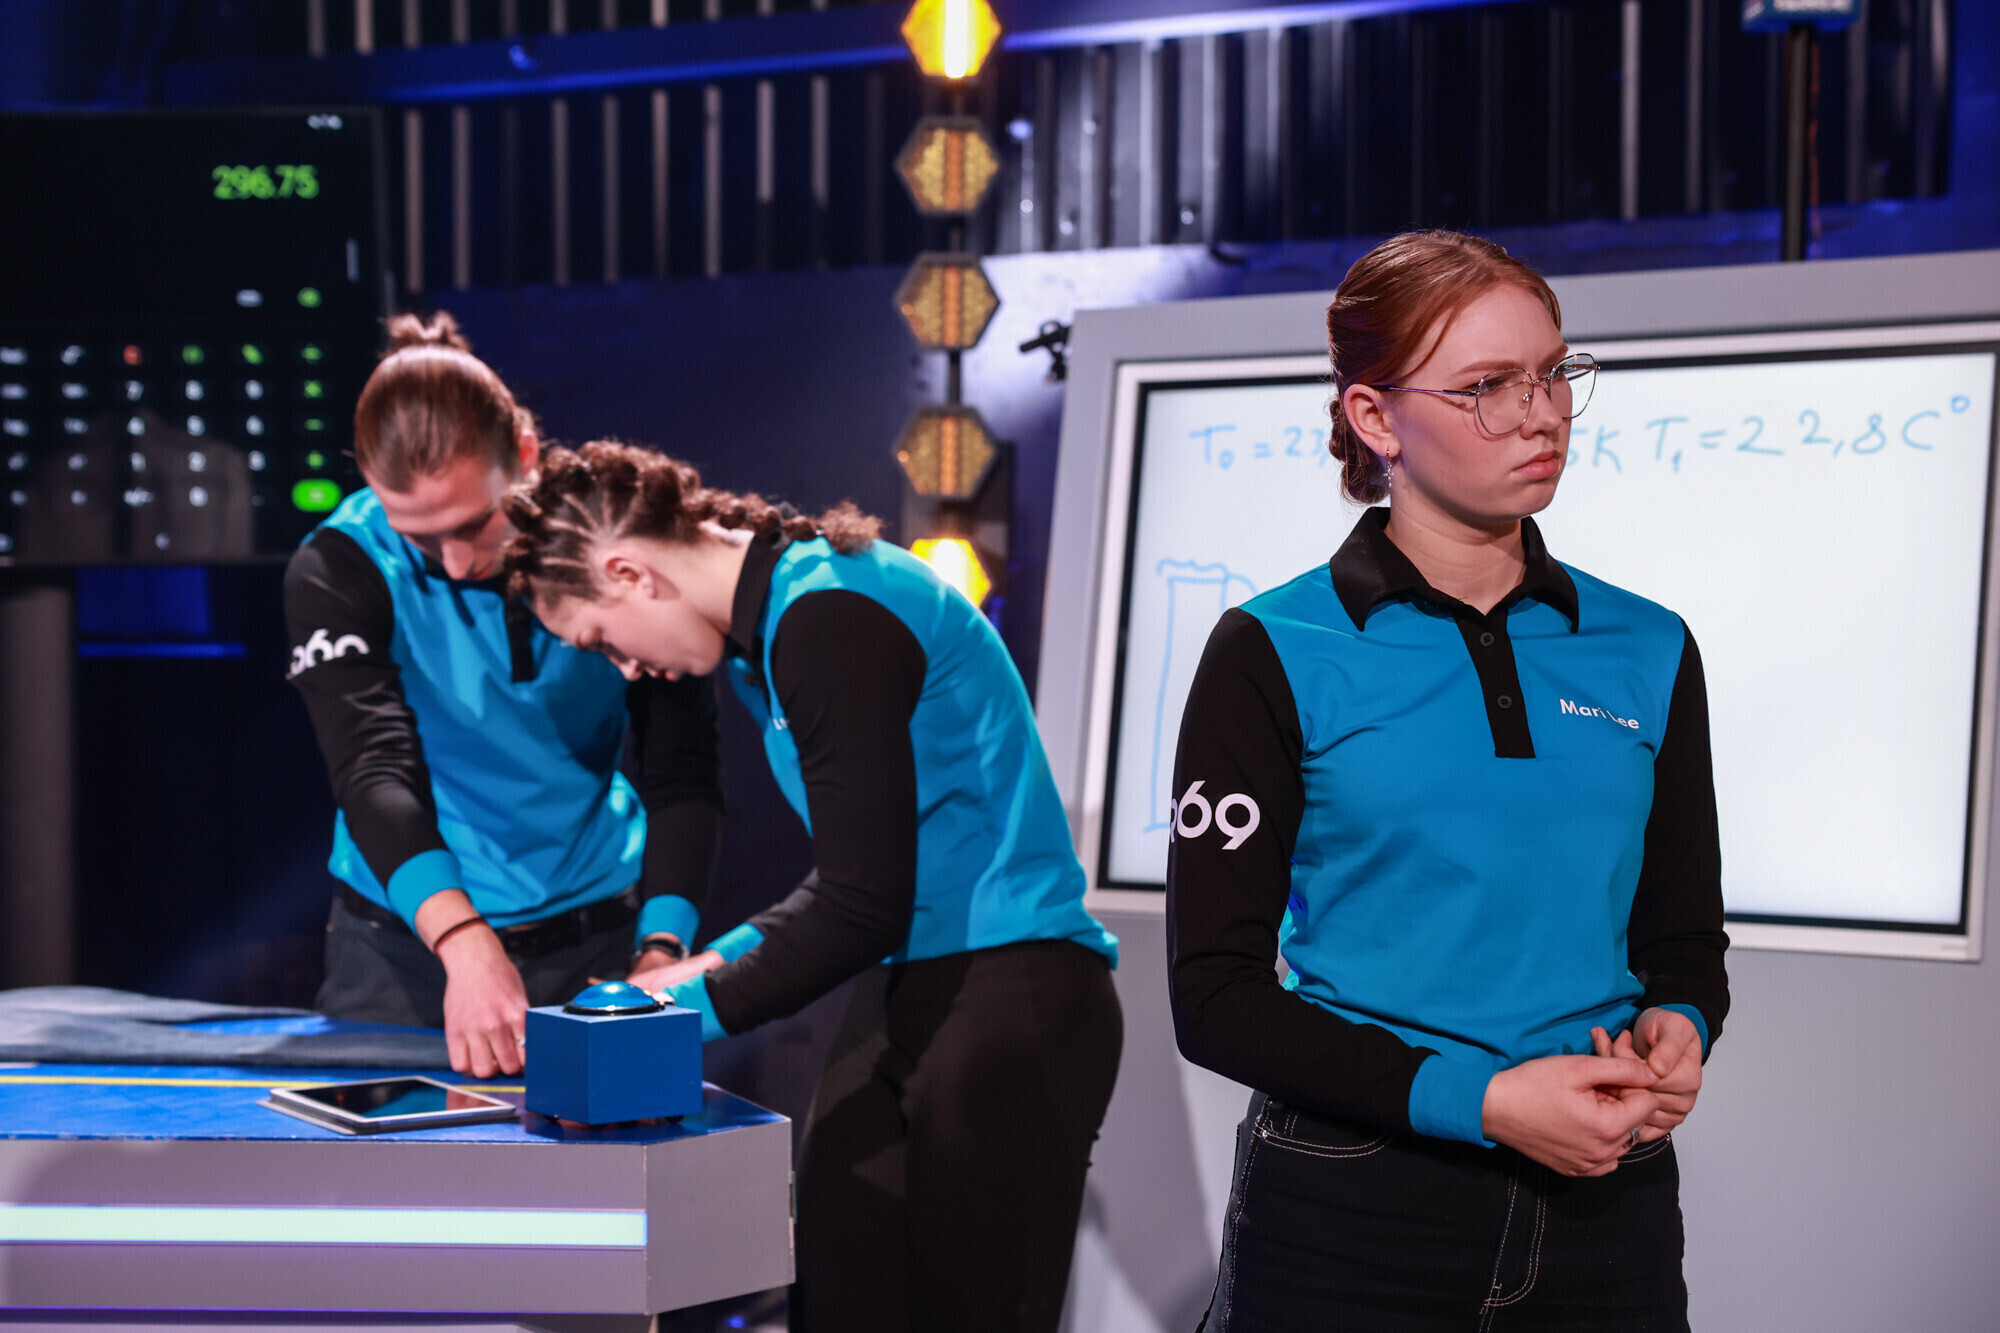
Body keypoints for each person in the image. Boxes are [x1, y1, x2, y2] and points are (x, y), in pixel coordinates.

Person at [1167, 230, 1729, 1330]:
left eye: (1553, 372)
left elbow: (1681, 933)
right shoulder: (1273, 647)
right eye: (1485, 387)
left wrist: (1680, 1023)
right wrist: (1482, 1100)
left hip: (1603, 1211)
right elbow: (1216, 1000)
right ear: (1375, 418)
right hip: (1353, 1207)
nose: (1540, 413)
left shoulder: (1647, 642)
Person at [501, 441, 1122, 1332]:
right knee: (834, 1285)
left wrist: (673, 1017)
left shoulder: (826, 611)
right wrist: (699, 965)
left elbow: (862, 906)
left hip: (1013, 993)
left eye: (602, 640)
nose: (628, 669)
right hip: (917, 981)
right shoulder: (781, 626)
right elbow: (854, 879)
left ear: (629, 572)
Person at [284, 313, 722, 1079]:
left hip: (598, 938)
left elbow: (681, 764)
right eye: (421, 537)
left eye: (473, 524)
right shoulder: (338, 567)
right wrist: (462, 940)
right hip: (405, 949)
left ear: (523, 453)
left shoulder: (616, 541)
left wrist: (660, 950)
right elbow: (373, 768)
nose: (456, 564)